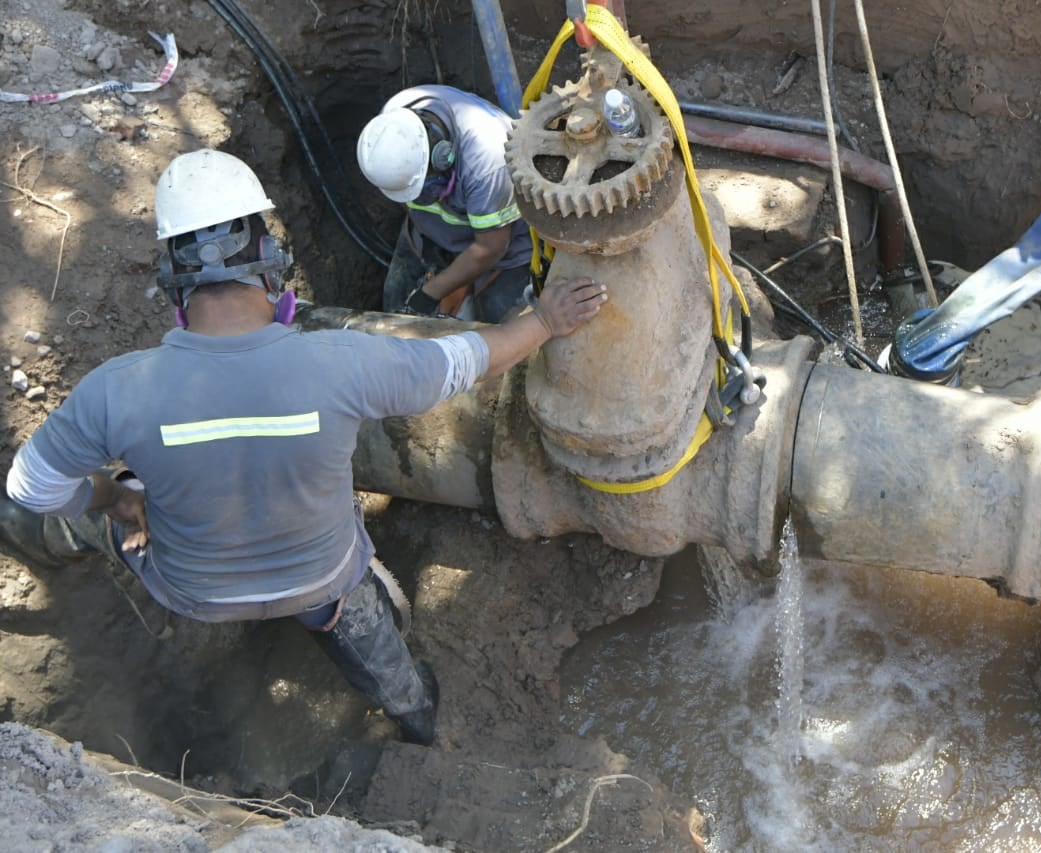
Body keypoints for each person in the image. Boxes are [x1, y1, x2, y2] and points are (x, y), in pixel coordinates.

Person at [0, 148, 606, 747]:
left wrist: (114, 497)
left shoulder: (118, 389)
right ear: (270, 261)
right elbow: (469, 360)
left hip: (196, 592)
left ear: (172, 285)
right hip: (320, 581)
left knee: (84, 503)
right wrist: (546, 323)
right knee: (377, 649)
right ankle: (413, 717)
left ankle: (40, 545)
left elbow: (33, 486)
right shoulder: (342, 362)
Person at [357, 84, 533, 323]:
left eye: (421, 189)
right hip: (435, 230)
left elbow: (491, 247)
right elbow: (406, 197)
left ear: (443, 156)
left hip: (504, 243)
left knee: (497, 321)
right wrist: (432, 249)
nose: (415, 198)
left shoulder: (487, 162)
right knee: (395, 300)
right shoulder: (391, 125)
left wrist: (430, 294)